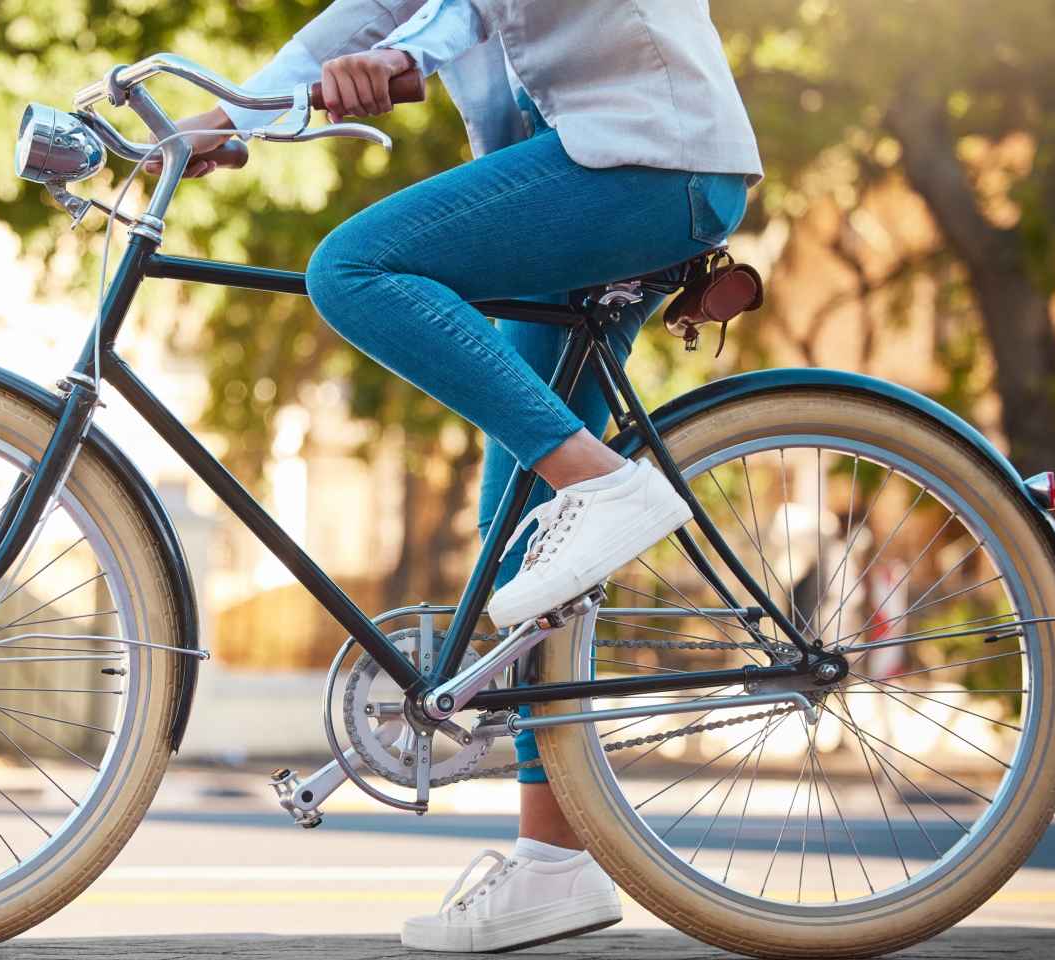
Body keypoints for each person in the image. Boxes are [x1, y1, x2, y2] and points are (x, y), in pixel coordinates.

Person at [162, 0, 763, 952]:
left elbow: (449, 12)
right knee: (516, 527)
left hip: (644, 161)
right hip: (596, 168)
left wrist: (401, 57)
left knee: (355, 267)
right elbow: (360, 19)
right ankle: (553, 868)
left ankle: (609, 487)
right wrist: (224, 117)